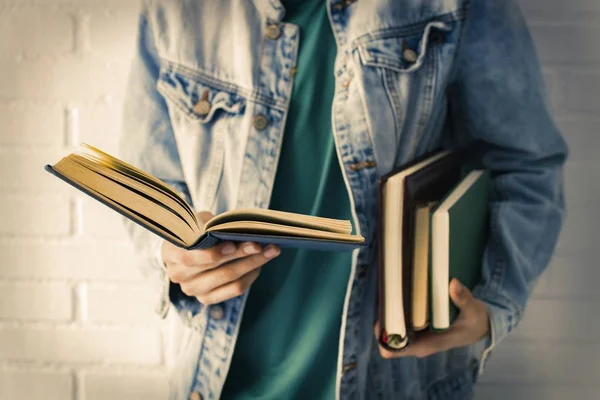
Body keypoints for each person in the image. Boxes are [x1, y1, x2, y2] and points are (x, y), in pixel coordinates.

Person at [119, 0, 567, 399]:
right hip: (217, 381)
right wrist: (173, 257)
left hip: (398, 380)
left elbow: (526, 163)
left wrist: (491, 302)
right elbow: (147, 182)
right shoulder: (172, 9)